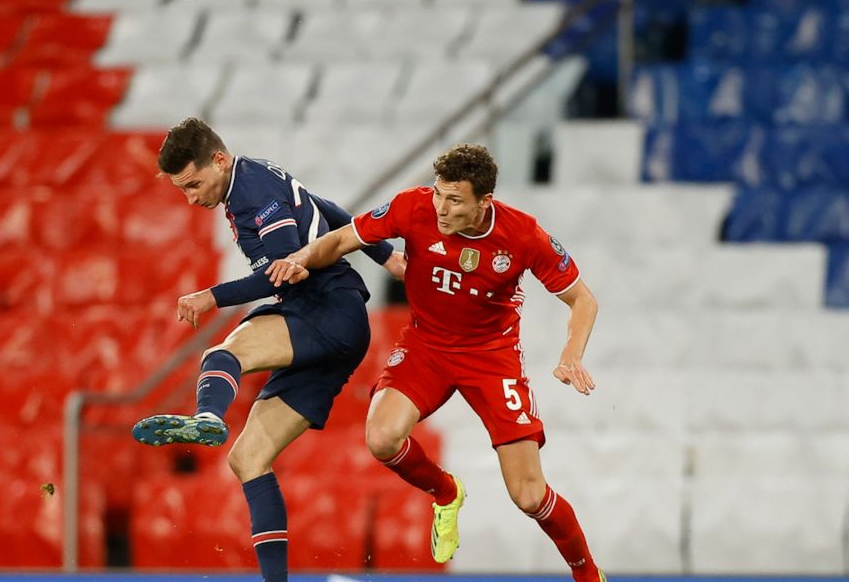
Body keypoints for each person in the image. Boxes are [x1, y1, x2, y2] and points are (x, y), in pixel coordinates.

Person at [266, 143, 605, 581]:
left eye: (455, 199)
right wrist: (300, 258)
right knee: (382, 437)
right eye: (439, 193)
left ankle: (588, 574)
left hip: (491, 356)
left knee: (528, 495)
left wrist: (570, 354)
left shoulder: (523, 234)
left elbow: (583, 299)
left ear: (484, 202)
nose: (441, 208)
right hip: (426, 345)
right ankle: (446, 492)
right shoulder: (414, 206)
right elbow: (342, 239)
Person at [131, 118, 404, 582]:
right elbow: (332, 211)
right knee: (248, 459)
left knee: (222, 355)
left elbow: (279, 272)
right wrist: (388, 256)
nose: (192, 198)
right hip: (335, 324)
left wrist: (209, 296)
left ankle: (209, 418)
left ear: (219, 159)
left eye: (194, 184)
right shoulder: (254, 177)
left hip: (327, 308)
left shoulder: (254, 192)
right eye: (182, 190)